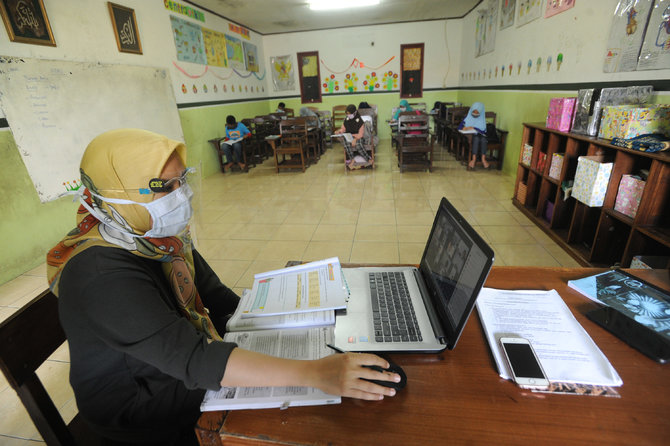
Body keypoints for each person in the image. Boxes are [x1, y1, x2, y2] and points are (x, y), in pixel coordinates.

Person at [46, 129, 398, 445]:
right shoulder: (99, 273)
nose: (181, 195)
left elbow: (218, 297)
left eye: (182, 180)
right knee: (298, 420)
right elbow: (195, 360)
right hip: (141, 406)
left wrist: (290, 322)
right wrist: (316, 373)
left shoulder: (158, 237)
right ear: (114, 194)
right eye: (164, 188)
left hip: (179, 363)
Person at [334, 104, 373, 169]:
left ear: (354, 112)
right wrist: (339, 131)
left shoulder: (360, 121)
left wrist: (355, 139)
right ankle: (352, 159)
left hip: (359, 137)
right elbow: (343, 129)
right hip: (349, 136)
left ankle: (368, 159)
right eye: (347, 114)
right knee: (346, 143)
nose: (348, 115)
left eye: (350, 114)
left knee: (358, 144)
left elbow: (361, 134)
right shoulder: (346, 119)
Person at [458, 102, 490, 169]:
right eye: (473, 112)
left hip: (480, 136)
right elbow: (459, 127)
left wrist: (474, 128)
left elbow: (483, 131)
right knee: (476, 139)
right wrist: (465, 128)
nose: (475, 114)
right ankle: (474, 159)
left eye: (477, 113)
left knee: (483, 139)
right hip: (470, 136)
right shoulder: (468, 118)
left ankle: (483, 159)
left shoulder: (482, 119)